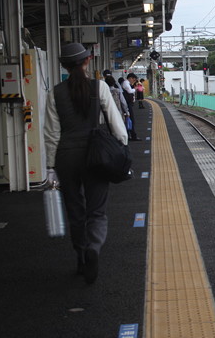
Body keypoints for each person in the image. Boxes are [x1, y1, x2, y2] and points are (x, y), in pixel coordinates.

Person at [44, 43, 128, 284]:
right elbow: (115, 122)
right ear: (87, 61)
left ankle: (81, 256)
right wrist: (122, 147)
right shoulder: (99, 87)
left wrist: (51, 167)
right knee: (97, 211)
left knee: (75, 210)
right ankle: (93, 247)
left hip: (66, 157)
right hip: (96, 155)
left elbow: (51, 133)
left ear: (64, 67)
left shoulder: (55, 93)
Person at [120, 73, 141, 141]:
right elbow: (130, 91)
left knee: (129, 120)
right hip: (127, 104)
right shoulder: (126, 83)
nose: (133, 81)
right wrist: (135, 89)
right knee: (131, 120)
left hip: (128, 104)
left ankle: (129, 135)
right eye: (133, 80)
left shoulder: (126, 83)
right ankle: (132, 136)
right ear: (130, 78)